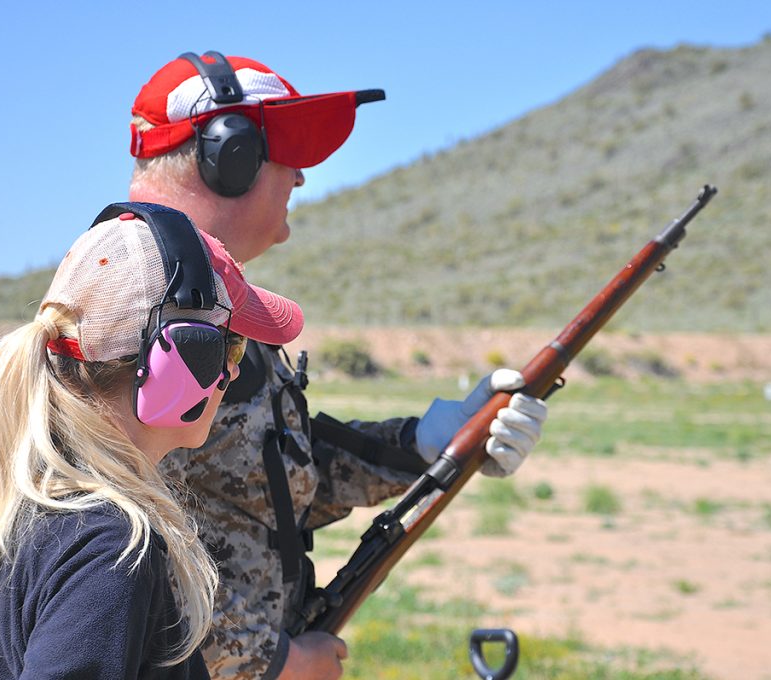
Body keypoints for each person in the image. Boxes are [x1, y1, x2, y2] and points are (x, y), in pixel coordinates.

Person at [128, 52, 550, 679]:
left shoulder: (214, 302)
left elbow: (274, 482)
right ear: (230, 158)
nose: (300, 178)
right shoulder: (140, 307)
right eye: (288, 153)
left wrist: (428, 441)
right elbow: (116, 529)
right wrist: (276, 664)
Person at [0, 203, 307, 679]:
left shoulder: (3, 512)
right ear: (179, 359)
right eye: (230, 347)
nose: (232, 371)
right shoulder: (111, 550)